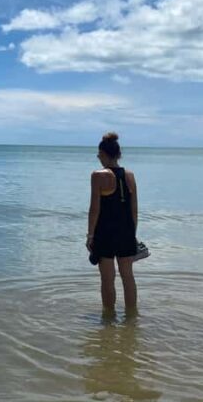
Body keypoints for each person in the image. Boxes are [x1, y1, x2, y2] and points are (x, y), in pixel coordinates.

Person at [86, 132, 138, 315]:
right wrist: (132, 235)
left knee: (107, 279)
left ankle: (108, 319)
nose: (98, 157)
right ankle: (131, 318)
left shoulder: (98, 176)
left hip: (105, 234)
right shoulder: (130, 175)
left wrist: (90, 235)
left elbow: (94, 209)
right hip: (126, 232)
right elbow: (134, 210)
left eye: (99, 153)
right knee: (128, 277)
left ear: (104, 153)